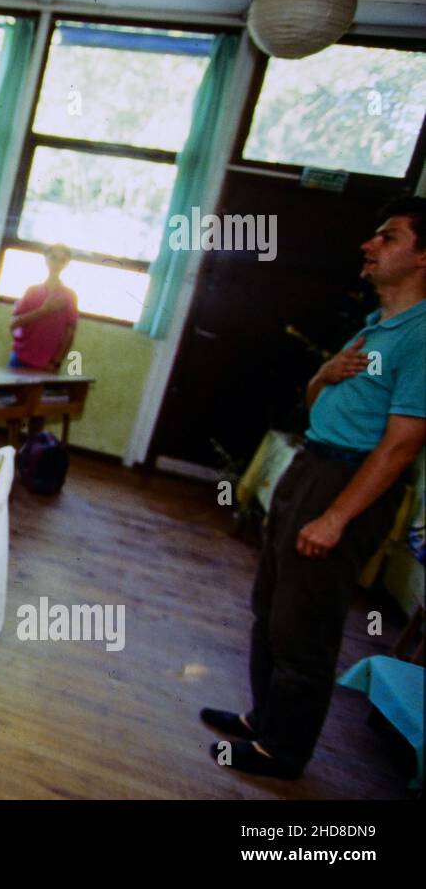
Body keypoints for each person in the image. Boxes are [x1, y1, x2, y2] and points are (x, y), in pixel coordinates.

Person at [203, 196, 426, 780]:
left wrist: (336, 518)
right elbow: (316, 406)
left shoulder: (422, 337)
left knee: (306, 626)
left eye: (389, 237)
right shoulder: (378, 325)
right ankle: (262, 720)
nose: (369, 245)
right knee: (271, 608)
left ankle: (284, 751)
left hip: (346, 482)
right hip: (312, 464)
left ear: (425, 257)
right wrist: (322, 375)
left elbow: (402, 444)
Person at [9, 243, 77, 371]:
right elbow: (14, 324)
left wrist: (56, 362)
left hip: (47, 363)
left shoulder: (69, 296)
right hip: (20, 357)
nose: (57, 263)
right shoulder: (32, 291)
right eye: (53, 257)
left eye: (62, 260)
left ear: (67, 264)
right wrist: (43, 311)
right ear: (45, 259)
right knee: (7, 391)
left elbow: (70, 333)